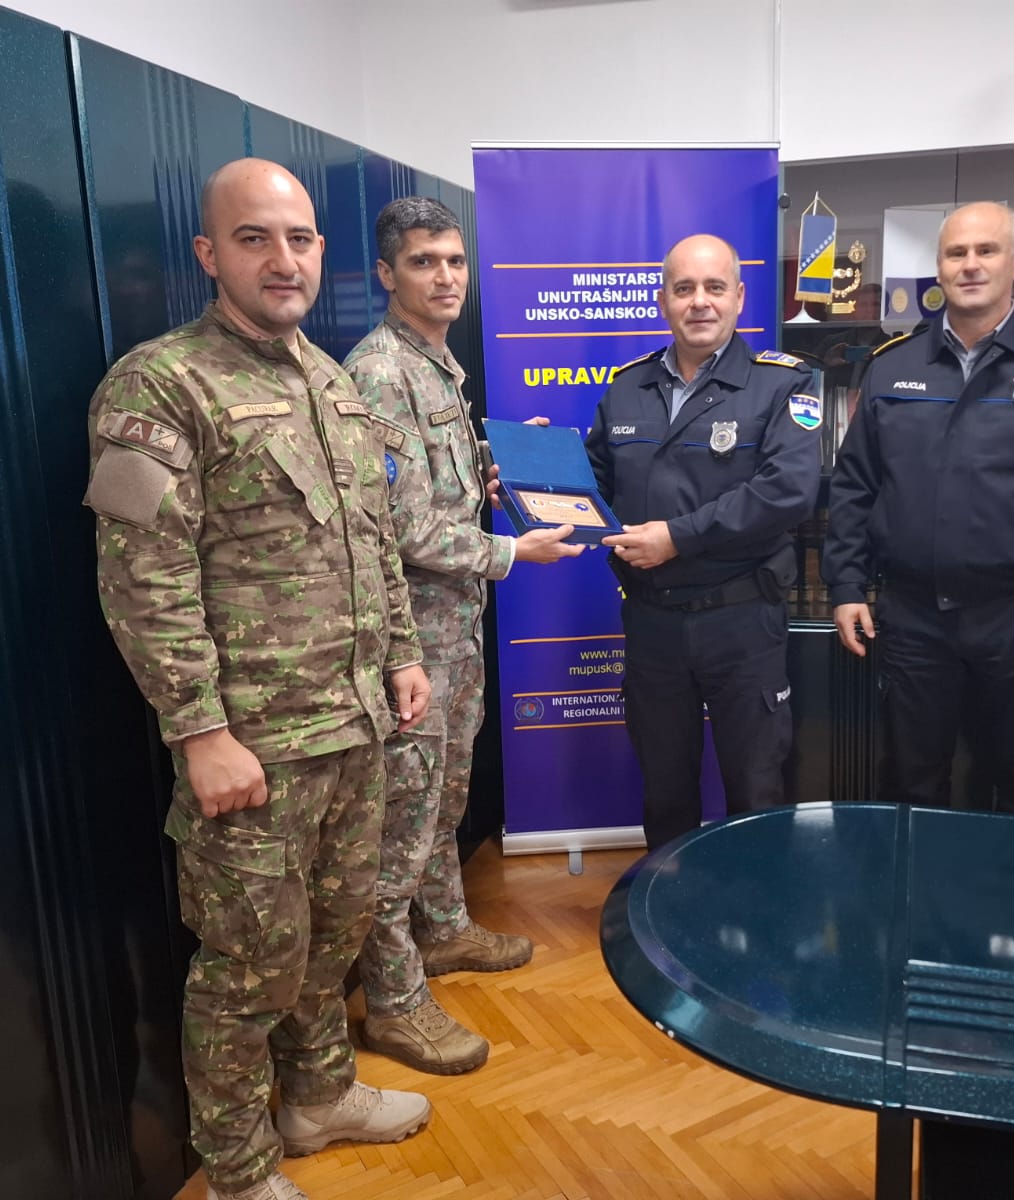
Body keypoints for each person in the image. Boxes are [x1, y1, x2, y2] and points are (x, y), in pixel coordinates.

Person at [85, 158, 435, 1200]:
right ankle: (239, 1172)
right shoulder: (160, 384)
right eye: (255, 238)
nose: (284, 260)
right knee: (248, 967)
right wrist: (199, 732)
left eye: (300, 238)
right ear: (209, 253)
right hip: (255, 748)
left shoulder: (331, 382)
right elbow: (143, 576)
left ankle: (319, 1095)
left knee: (333, 935)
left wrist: (403, 652)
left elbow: (373, 540)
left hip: (355, 725)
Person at [343, 196, 582, 1075]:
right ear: (385, 274)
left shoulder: (437, 363)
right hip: (409, 644)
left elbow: (430, 495)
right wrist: (514, 549)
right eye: (423, 262)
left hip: (454, 630)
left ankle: (442, 931)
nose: (445, 277)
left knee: (441, 799)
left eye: (453, 260)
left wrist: (497, 471)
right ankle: (394, 1004)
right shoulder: (380, 373)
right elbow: (401, 531)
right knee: (399, 825)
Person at [821, 200, 1014, 815]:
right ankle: (915, 882)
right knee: (910, 784)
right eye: (956, 253)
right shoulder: (893, 367)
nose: (970, 265)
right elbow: (855, 486)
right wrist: (846, 585)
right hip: (911, 618)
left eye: (986, 251)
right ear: (939, 266)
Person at [585, 233, 822, 851]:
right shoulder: (626, 387)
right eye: (684, 288)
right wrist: (532, 477)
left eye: (715, 287)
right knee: (664, 793)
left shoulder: (782, 385)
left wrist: (678, 538)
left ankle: (759, 906)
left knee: (756, 789)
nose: (699, 302)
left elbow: (788, 491)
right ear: (663, 300)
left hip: (741, 622)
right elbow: (594, 485)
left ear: (739, 297)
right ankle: (668, 905)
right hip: (652, 625)